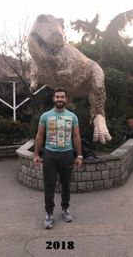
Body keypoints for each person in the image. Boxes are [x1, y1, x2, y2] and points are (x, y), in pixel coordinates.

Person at [33, 88, 83, 229]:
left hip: (66, 155)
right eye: (57, 97)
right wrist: (36, 154)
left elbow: (76, 137)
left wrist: (79, 155)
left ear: (66, 99)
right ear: (54, 99)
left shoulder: (73, 117)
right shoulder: (45, 116)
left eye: (62, 97)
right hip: (49, 154)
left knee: (66, 184)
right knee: (49, 185)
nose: (59, 99)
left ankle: (65, 210)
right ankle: (49, 214)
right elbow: (39, 136)